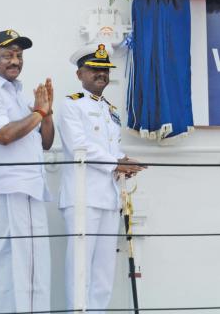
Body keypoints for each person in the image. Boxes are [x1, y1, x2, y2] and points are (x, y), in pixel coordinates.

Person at [0, 29, 55, 313]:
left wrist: (47, 113)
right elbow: (4, 135)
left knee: (28, 268)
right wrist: (38, 114)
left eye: (18, 55)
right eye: (7, 55)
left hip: (25, 189)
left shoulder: (17, 94)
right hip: (8, 190)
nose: (14, 60)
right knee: (13, 270)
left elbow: (45, 142)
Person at [57, 44, 144, 311]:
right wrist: (116, 163)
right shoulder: (71, 105)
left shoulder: (110, 109)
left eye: (105, 69)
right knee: (80, 269)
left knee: (104, 271)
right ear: (80, 74)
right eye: (94, 69)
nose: (101, 74)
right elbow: (79, 146)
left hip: (108, 197)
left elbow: (110, 149)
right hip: (83, 198)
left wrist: (124, 163)